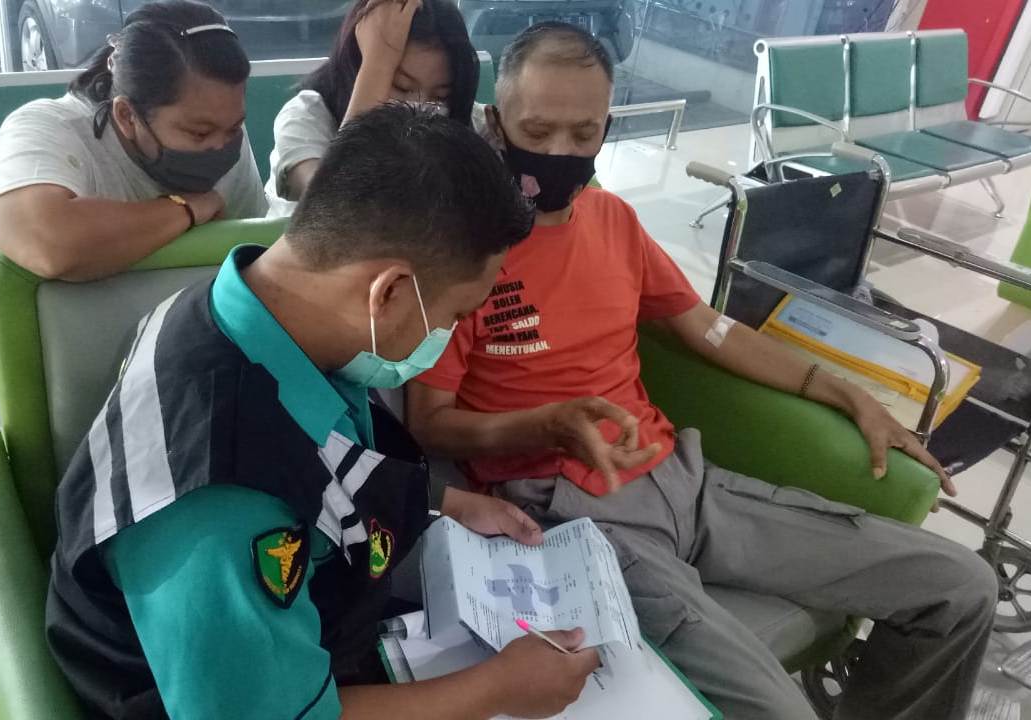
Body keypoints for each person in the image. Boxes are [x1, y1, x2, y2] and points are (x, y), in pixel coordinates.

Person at [405, 22, 997, 720]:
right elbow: (430, 423)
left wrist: (843, 392)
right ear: (496, 122)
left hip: (682, 480)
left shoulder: (612, 221)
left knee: (960, 587)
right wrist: (545, 426)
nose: (561, 153)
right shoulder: (462, 252)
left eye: (584, 133)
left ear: (606, 127)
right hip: (573, 515)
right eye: (537, 131)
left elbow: (710, 330)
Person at [45, 104, 600, 720]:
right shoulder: (222, 502)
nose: (448, 334)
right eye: (456, 314)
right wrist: (500, 688)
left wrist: (443, 504)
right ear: (389, 292)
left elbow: (323, 467)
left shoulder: (240, 309)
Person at [0, 0, 269, 423]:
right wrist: (188, 208)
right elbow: (46, 241)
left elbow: (251, 256)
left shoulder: (224, 138)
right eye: (198, 132)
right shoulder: (49, 128)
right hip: (23, 355)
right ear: (127, 115)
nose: (220, 146)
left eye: (232, 127)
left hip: (156, 343)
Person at [266, 0, 482, 218]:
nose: (421, 107)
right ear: (357, 70)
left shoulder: (467, 118)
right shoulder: (304, 119)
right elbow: (336, 203)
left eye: (440, 96)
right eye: (401, 86)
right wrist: (379, 61)